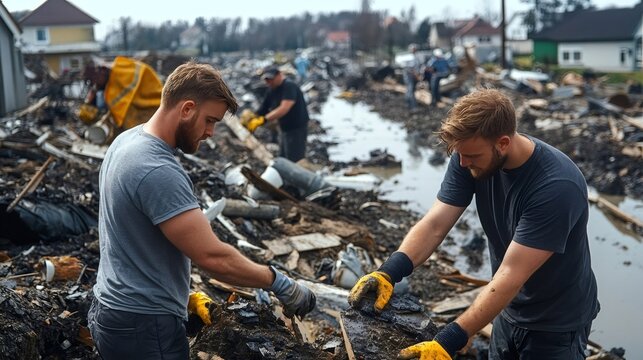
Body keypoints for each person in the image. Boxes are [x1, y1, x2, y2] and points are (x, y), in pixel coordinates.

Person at [88, 61, 316, 360]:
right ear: (186, 109)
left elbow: (135, 236)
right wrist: (280, 283)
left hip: (113, 307)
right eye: (209, 120)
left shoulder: (126, 142)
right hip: (143, 326)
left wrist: (181, 297)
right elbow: (212, 257)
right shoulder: (156, 169)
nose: (210, 132)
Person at [349, 88, 599, 359]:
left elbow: (512, 274)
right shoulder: (469, 155)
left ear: (503, 143)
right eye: (459, 155)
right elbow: (435, 223)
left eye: (471, 157)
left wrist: (450, 338)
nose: (463, 162)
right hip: (506, 307)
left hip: (556, 323)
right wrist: (388, 272)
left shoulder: (556, 187)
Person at [246, 65, 310, 162]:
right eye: (267, 80)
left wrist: (264, 119)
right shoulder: (272, 89)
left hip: (296, 128)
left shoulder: (289, 86)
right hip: (285, 128)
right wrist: (253, 117)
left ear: (279, 75)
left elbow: (284, 108)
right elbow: (264, 108)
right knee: (283, 157)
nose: (269, 82)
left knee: (295, 159)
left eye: (271, 79)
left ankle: (296, 175)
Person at [403, 44, 422, 110]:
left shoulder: (416, 57)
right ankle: (412, 106)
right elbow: (410, 69)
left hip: (414, 76)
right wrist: (416, 75)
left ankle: (408, 104)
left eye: (415, 49)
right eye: (413, 49)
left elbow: (418, 67)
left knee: (412, 90)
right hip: (409, 76)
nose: (414, 51)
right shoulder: (409, 57)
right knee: (410, 90)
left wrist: (418, 75)